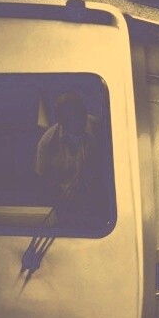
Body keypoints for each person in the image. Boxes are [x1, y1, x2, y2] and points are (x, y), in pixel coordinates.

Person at [33, 92, 103, 225]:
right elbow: (42, 181)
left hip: (98, 206)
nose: (79, 119)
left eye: (80, 113)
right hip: (65, 208)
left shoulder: (101, 130)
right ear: (60, 120)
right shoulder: (47, 142)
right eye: (71, 116)